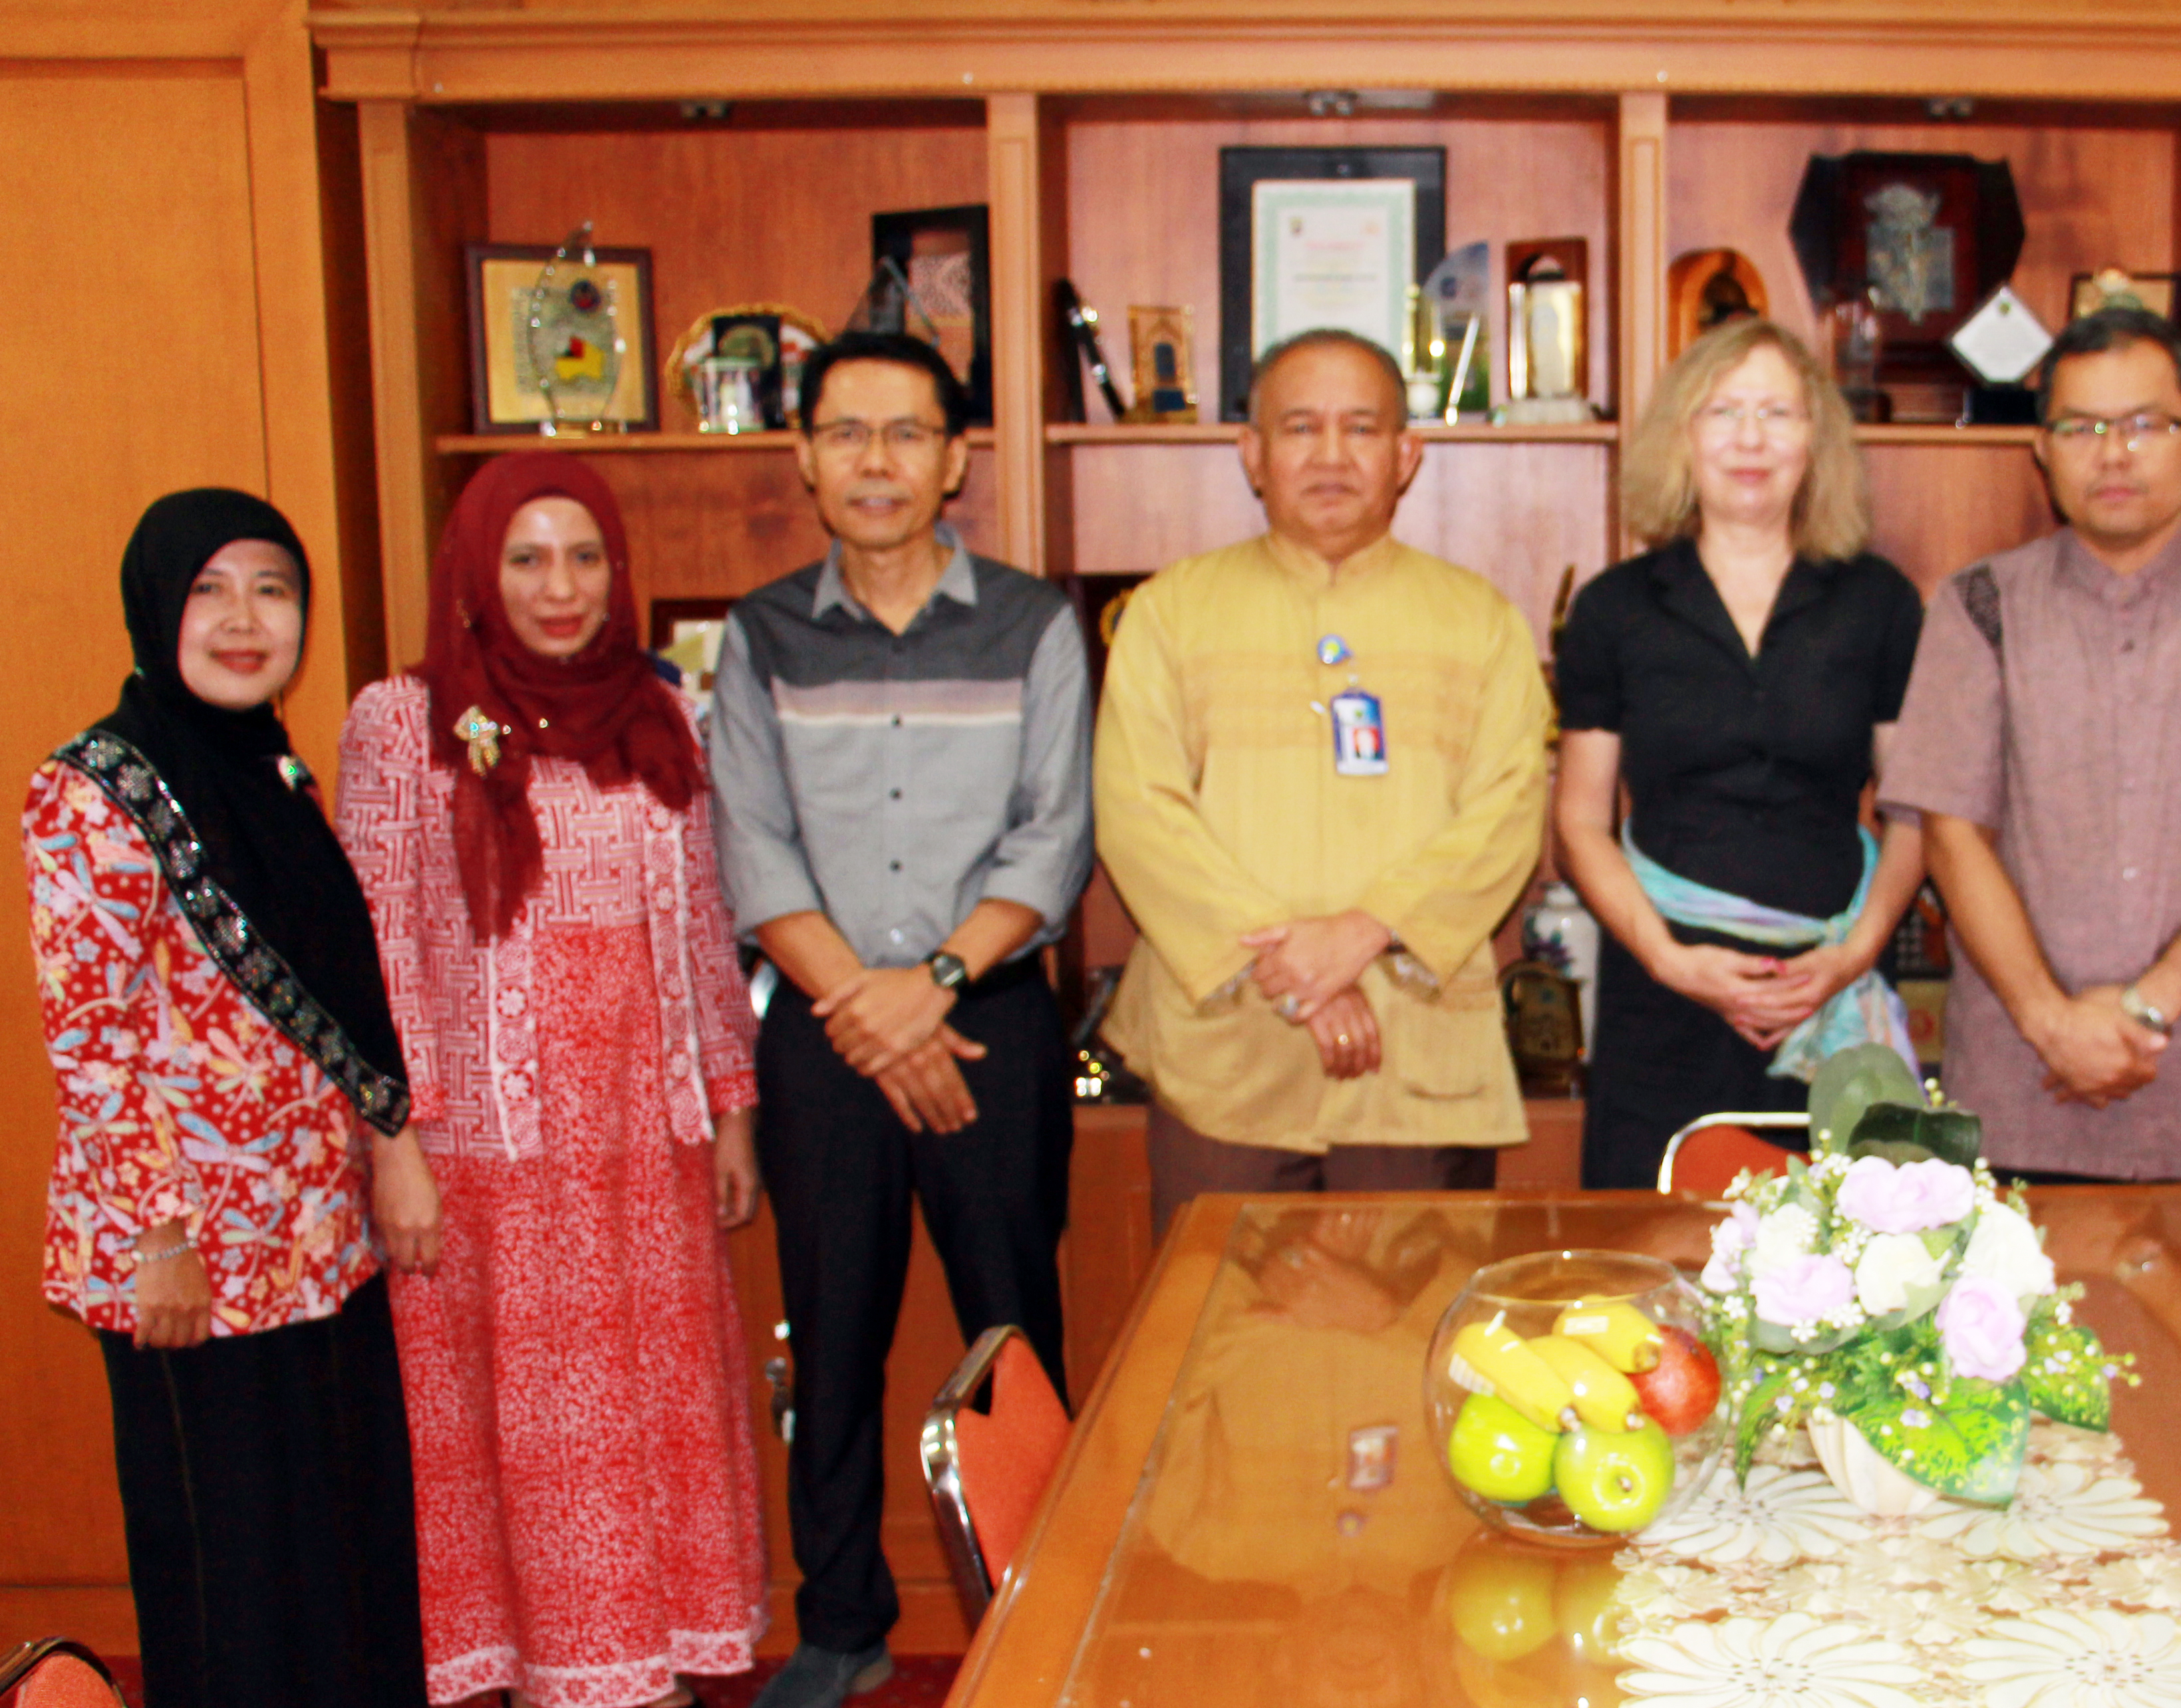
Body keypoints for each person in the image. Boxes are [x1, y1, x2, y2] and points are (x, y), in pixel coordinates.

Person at [336, 453, 766, 1708]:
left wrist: (731, 1106)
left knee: (651, 1421)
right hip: (485, 1164)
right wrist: (392, 1146)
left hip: (646, 1148)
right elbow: (376, 949)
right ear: (477, 573)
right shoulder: (403, 722)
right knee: (525, 1442)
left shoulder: (658, 716)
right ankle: (550, 1674)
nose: (560, 587)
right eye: (526, 559)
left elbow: (700, 920)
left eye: (584, 557)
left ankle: (650, 1663)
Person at [708, 332, 1096, 1708]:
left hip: (985, 1020)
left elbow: (1054, 842)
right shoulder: (760, 635)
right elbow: (754, 853)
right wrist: (867, 1012)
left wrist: (923, 990)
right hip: (822, 1029)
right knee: (833, 1331)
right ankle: (841, 1624)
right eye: (848, 434)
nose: (877, 461)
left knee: (1011, 1324)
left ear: (953, 461)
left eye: (907, 433)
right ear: (804, 458)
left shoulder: (1035, 624)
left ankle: (1038, 1603)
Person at [22, 490, 432, 1708]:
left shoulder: (275, 774)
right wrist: (160, 1242)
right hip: (187, 1265)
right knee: (233, 1581)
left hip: (315, 1243)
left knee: (341, 1563)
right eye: (210, 589)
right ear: (156, 606)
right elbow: (93, 1045)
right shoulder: (97, 789)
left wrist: (390, 1149)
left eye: (273, 589)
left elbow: (339, 995)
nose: (246, 620)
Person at [1880, 307, 2181, 1181]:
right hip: (2020, 1086)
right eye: (2081, 427)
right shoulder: (1979, 605)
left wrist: (2147, 1007)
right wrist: (2051, 1024)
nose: (2113, 453)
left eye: (2144, 424)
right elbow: (1952, 833)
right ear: (2042, 448)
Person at [1097, 330, 1550, 1236]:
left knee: (1411, 1338)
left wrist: (1364, 931)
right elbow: (1139, 813)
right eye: (1301, 428)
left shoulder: (1481, 622)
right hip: (1228, 1058)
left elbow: (1508, 815)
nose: (1332, 456)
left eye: (1362, 429)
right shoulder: (1170, 613)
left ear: (1406, 455)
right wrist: (1301, 972)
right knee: (1216, 1347)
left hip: (1414, 1056)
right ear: (1252, 453)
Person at [1552, 319, 1926, 1189]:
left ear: (1815, 440)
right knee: (1652, 1268)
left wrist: (1853, 957)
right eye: (1724, 412)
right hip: (1664, 995)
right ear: (1682, 437)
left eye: (1777, 413)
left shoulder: (1879, 604)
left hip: (1828, 994)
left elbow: (1917, 813)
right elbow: (1580, 822)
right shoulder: (1616, 611)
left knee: (1842, 1278)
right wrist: (1669, 959)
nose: (1751, 439)